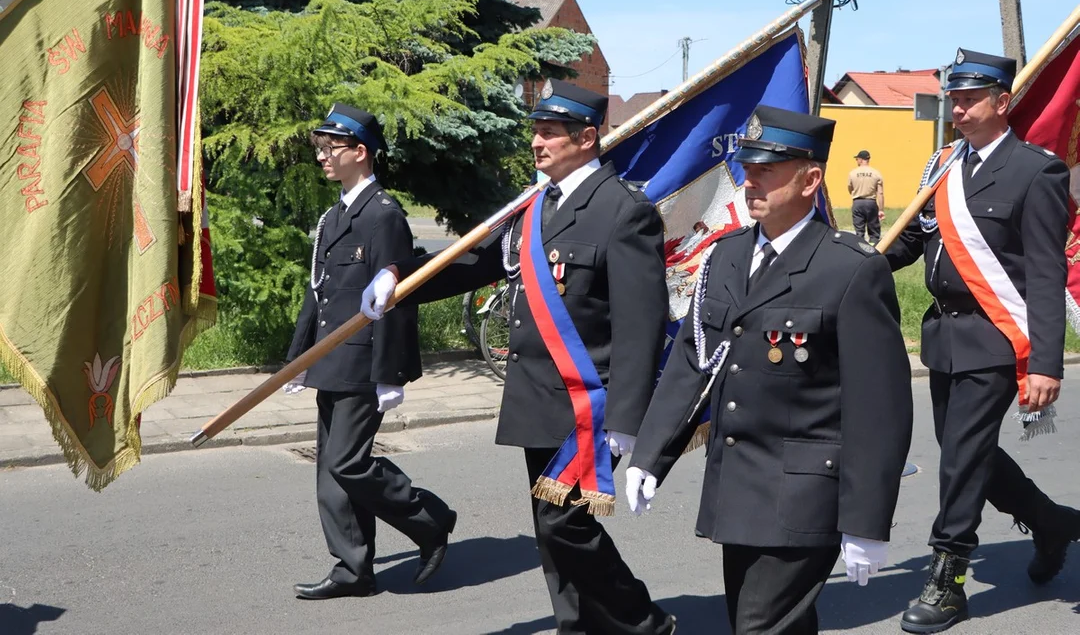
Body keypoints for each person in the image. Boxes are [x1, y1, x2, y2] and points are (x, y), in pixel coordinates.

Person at [362, 79, 676, 634]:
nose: (536, 142)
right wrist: (399, 278)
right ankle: (575, 624)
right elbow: (472, 262)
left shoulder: (622, 210)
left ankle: (642, 622)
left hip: (590, 402)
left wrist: (627, 419)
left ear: (586, 137)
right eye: (534, 131)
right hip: (536, 397)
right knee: (548, 524)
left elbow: (640, 325)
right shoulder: (533, 206)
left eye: (549, 133)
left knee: (565, 524)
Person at [625, 105, 914, 635]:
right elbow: (694, 364)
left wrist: (867, 521)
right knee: (763, 622)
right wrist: (651, 453)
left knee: (759, 627)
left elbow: (880, 410)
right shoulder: (725, 256)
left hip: (806, 496)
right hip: (737, 488)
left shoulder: (849, 269)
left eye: (767, 169)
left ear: (810, 180)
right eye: (748, 167)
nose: (750, 180)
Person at [885, 48, 1080, 633]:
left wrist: (1046, 362)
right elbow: (913, 241)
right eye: (954, 99)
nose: (959, 109)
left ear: (1003, 102)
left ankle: (949, 577)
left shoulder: (1034, 170)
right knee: (961, 449)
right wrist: (855, 263)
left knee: (963, 457)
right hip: (943, 332)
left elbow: (1045, 273)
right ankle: (1049, 521)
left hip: (996, 335)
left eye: (970, 100)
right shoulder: (943, 165)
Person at [287, 103, 457, 600]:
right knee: (331, 477)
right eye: (320, 147)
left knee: (348, 463)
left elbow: (396, 301)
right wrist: (300, 357)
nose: (322, 155)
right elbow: (318, 293)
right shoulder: (334, 214)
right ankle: (353, 568)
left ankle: (429, 518)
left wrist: (390, 374)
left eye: (331, 147)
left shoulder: (383, 217)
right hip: (330, 359)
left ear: (361, 153)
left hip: (362, 363)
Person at [848, 150, 885, 245]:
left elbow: (850, 189)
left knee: (859, 232)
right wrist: (881, 209)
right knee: (874, 232)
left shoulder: (852, 173)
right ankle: (874, 248)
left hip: (857, 203)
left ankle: (860, 251)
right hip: (871, 203)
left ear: (860, 160)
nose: (856, 161)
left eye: (857, 159)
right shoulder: (876, 173)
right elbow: (880, 193)